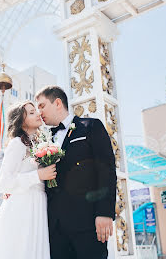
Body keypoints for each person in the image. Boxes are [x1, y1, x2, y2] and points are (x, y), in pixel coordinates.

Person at [35, 86, 117, 259]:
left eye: (42, 106)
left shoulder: (91, 126)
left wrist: (105, 212)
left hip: (88, 223)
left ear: (57, 103)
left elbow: (106, 170)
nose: (39, 111)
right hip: (54, 229)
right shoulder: (44, 139)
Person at [0, 101, 56, 259]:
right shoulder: (17, 144)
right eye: (31, 113)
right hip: (22, 206)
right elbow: (3, 183)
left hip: (39, 203)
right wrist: (38, 176)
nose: (38, 114)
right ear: (21, 121)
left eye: (36, 111)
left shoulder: (39, 144)